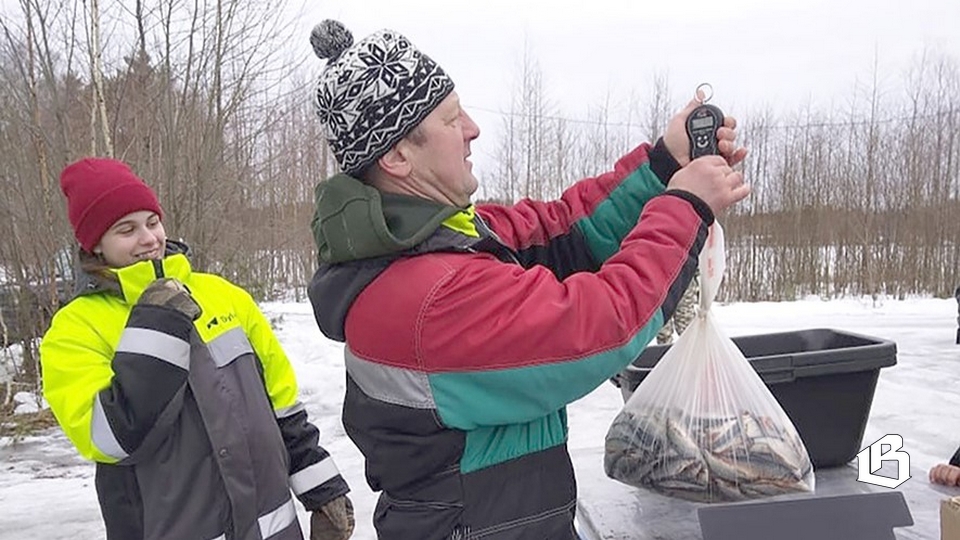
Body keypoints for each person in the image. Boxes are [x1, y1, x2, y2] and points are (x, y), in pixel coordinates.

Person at [305, 19, 750, 540]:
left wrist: (661, 166)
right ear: (398, 157)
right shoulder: (428, 300)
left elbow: (563, 232)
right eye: (452, 119)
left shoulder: (447, 242)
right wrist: (686, 206)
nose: (473, 128)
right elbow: (600, 325)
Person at [40, 157, 354, 540]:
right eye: (127, 230)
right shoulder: (75, 328)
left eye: (153, 222)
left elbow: (282, 405)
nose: (149, 239)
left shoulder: (222, 295)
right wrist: (156, 324)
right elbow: (112, 439)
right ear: (95, 246)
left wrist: (322, 488)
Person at [655, 275, 699, 345]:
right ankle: (665, 351)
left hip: (683, 276)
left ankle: (692, 350)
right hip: (661, 279)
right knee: (664, 328)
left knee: (686, 325)